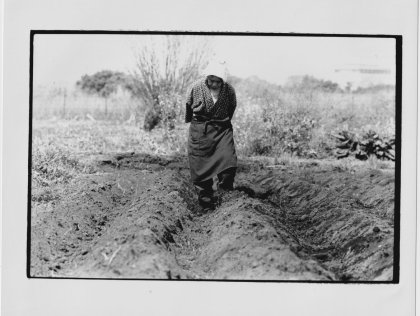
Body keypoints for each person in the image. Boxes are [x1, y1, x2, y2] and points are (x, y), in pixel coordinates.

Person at [185, 61, 238, 214]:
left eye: (217, 81)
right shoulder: (196, 87)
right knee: (200, 169)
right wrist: (194, 121)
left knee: (229, 162)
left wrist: (222, 121)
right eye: (211, 80)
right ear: (206, 78)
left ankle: (225, 198)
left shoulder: (229, 91)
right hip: (201, 130)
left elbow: (231, 108)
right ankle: (206, 204)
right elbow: (188, 106)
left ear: (223, 81)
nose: (214, 84)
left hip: (221, 129)